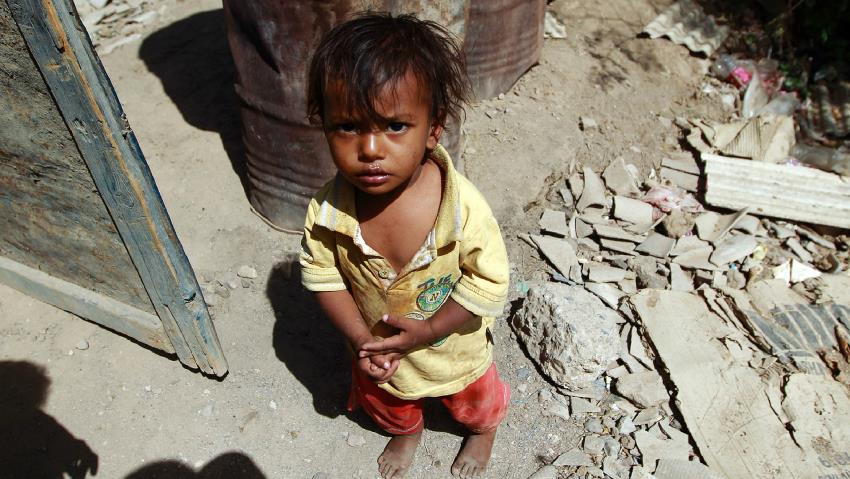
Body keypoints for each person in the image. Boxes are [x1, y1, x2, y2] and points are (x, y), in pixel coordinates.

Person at [300, 12, 510, 479]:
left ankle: (483, 431)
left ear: (433, 128)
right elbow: (324, 277)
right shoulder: (328, 213)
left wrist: (430, 329)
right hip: (379, 349)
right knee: (388, 401)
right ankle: (407, 430)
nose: (371, 149)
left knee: (474, 400)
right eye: (347, 126)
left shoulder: (463, 209)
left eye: (395, 126)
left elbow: (488, 284)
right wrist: (360, 339)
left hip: (453, 348)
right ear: (323, 125)